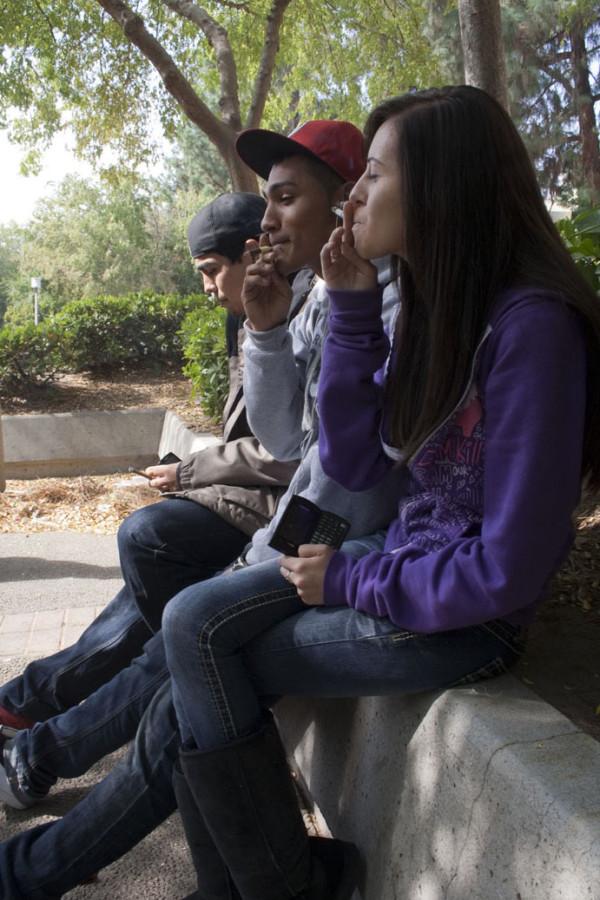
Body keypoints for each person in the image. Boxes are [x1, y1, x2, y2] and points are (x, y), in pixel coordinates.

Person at [158, 85, 600, 900]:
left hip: (465, 619)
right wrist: (356, 309)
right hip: (404, 565)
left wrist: (352, 578)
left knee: (203, 654)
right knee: (190, 628)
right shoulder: (442, 307)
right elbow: (359, 461)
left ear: (440, 187)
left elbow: (508, 572)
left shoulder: (534, 329)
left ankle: (275, 886)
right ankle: (277, 883)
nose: (352, 194)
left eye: (374, 176)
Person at [0, 118, 404, 897]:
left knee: (175, 628)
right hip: (304, 545)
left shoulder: (388, 300)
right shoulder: (321, 296)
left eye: (287, 198)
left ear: (348, 200)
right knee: (172, 648)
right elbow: (295, 436)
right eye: (266, 202)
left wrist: (200, 484)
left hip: (339, 559)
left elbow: (338, 473)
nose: (270, 221)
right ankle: (41, 785)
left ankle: (40, 818)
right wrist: (264, 329)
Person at [0, 191, 300, 809]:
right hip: (266, 513)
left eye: (211, 271)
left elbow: (295, 450)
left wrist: (193, 472)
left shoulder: (321, 311)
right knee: (161, 603)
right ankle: (28, 715)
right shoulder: (255, 316)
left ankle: (35, 741)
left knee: (161, 580)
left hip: (297, 526)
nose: (208, 289)